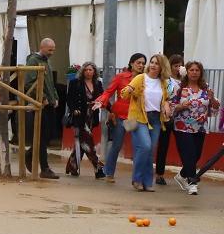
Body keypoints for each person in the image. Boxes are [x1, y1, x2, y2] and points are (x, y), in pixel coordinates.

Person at [118, 54, 174, 192]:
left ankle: (147, 182)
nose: (153, 65)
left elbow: (166, 98)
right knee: (146, 146)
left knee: (150, 151)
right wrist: (129, 90)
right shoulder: (140, 78)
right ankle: (137, 179)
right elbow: (123, 94)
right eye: (152, 62)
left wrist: (166, 105)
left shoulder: (163, 83)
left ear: (162, 67)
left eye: (157, 63)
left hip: (156, 119)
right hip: (140, 118)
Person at [93, 52, 146, 184]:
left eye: (143, 63)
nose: (141, 65)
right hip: (120, 116)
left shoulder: (146, 79)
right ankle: (109, 172)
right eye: (138, 62)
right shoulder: (121, 77)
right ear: (131, 63)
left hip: (137, 117)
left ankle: (138, 178)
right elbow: (108, 92)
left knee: (141, 146)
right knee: (116, 145)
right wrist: (101, 100)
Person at [170, 61, 219, 195]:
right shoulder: (179, 87)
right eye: (191, 70)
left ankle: (181, 175)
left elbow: (215, 108)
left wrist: (212, 99)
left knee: (196, 155)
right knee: (189, 153)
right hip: (182, 126)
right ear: (187, 72)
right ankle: (192, 182)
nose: (194, 72)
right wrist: (180, 106)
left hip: (200, 127)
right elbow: (169, 105)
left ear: (201, 73)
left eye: (197, 70)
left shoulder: (206, 88)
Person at [23, 38, 61, 179]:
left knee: (48, 135)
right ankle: (44, 168)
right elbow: (30, 82)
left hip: (50, 103)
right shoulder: (34, 60)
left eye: (53, 50)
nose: (52, 52)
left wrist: (55, 97)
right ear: (42, 47)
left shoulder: (46, 61)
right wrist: (43, 98)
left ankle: (30, 153)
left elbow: (50, 82)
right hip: (41, 104)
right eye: (50, 49)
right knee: (42, 137)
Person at [64, 62, 105, 178]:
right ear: (82, 71)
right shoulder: (75, 83)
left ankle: (72, 166)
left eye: (90, 70)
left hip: (91, 116)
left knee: (82, 143)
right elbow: (69, 99)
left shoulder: (98, 83)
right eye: (86, 70)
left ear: (94, 71)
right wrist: (74, 109)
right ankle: (98, 168)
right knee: (88, 142)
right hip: (79, 117)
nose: (88, 72)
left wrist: (108, 108)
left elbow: (103, 97)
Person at [154, 54, 184, 185]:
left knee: (183, 146)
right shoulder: (169, 81)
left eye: (180, 66)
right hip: (168, 116)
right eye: (175, 66)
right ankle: (159, 174)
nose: (178, 68)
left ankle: (186, 172)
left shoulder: (185, 80)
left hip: (182, 118)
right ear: (170, 66)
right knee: (163, 145)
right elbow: (170, 96)